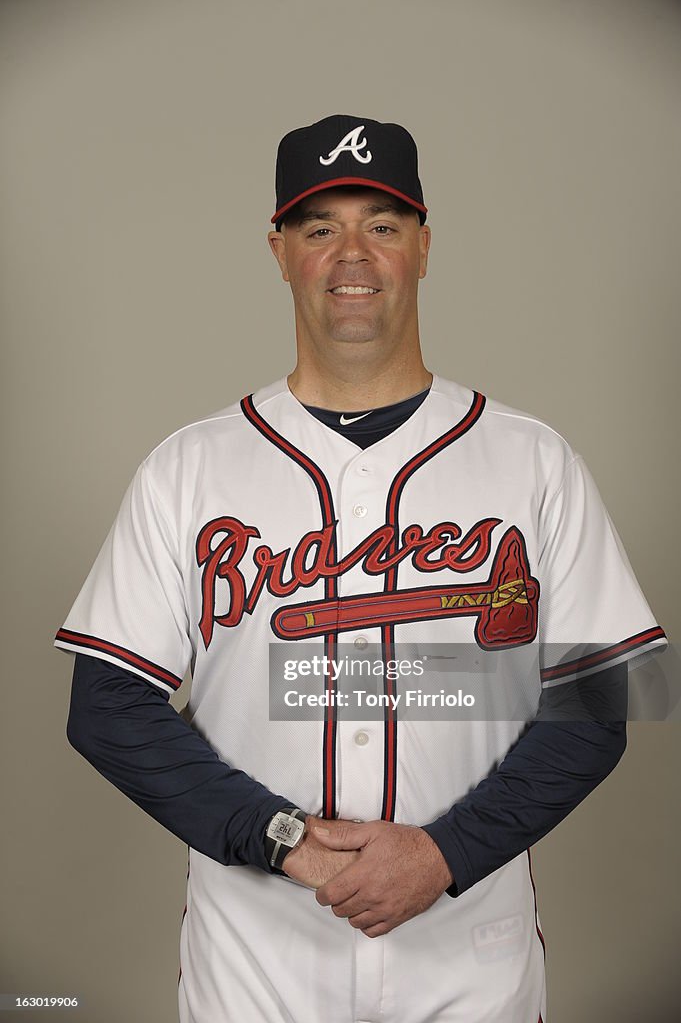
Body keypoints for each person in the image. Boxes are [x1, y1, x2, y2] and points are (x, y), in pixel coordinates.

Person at [56, 114, 666, 1022]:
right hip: (255, 961)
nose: (352, 253)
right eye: (319, 227)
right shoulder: (187, 468)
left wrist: (445, 852)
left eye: (381, 224)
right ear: (278, 250)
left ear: (423, 246)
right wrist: (285, 839)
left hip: (469, 957)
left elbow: (600, 702)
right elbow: (105, 710)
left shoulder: (534, 462)